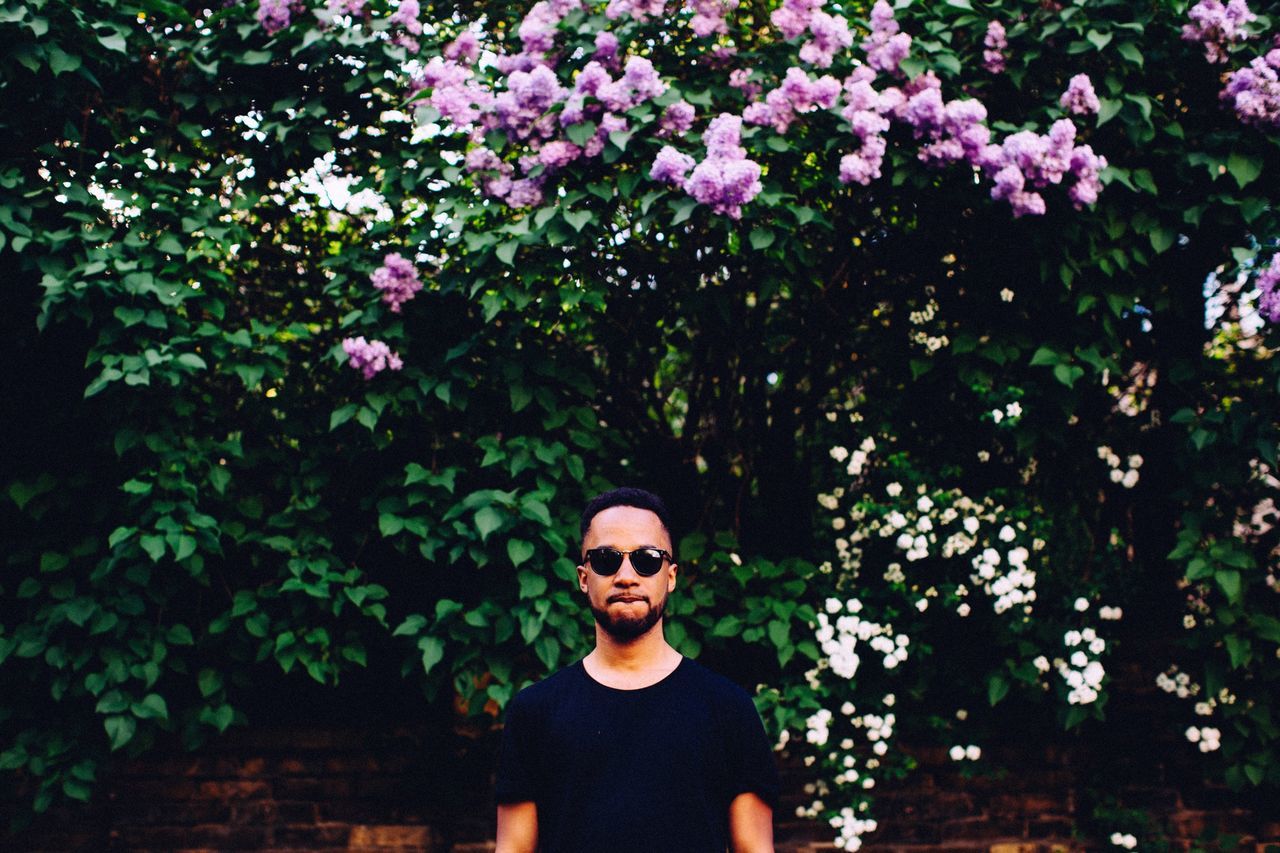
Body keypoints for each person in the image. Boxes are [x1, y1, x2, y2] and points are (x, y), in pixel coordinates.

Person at [494, 487, 778, 853]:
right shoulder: (535, 712)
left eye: (646, 559)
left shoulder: (727, 709)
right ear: (583, 577)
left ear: (671, 576)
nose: (626, 575)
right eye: (606, 559)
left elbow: (755, 848)